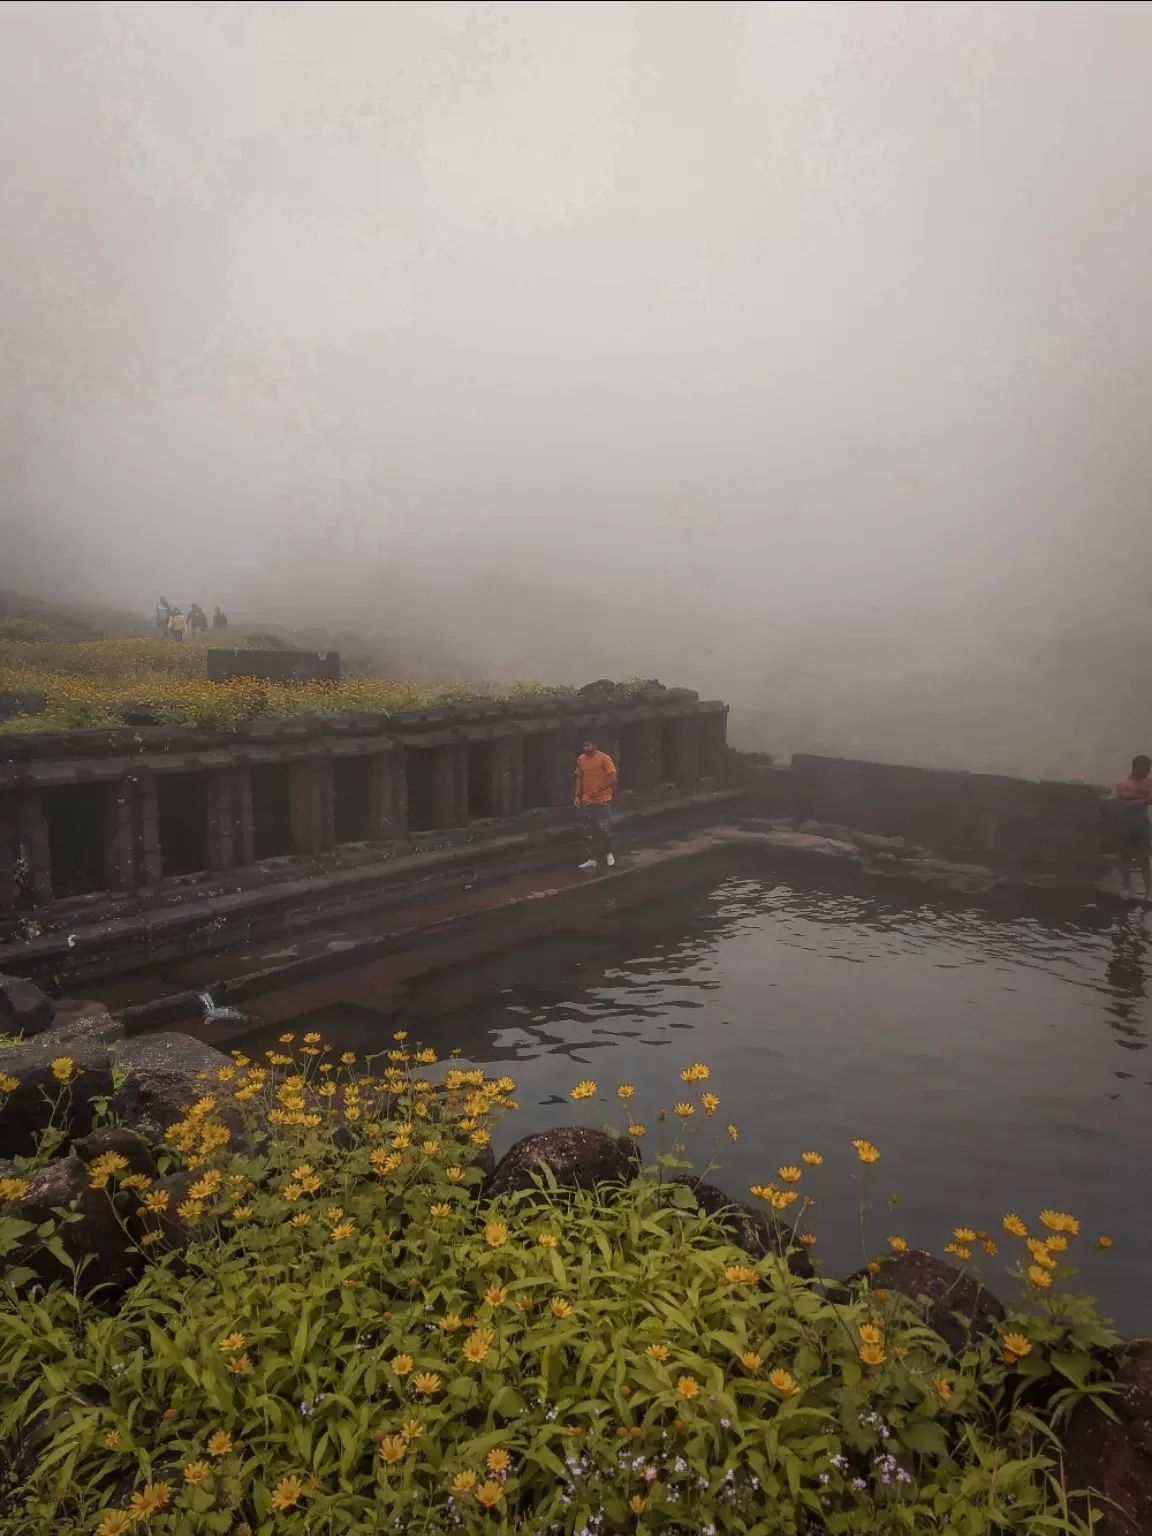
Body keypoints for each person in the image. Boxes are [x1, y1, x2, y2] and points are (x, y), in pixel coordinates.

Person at [574, 737, 617, 871]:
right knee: (588, 830)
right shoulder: (581, 759)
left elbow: (612, 777)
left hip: (602, 799)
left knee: (604, 828)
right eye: (584, 746)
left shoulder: (604, 758)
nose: (585, 749)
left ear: (595, 745)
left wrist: (598, 788)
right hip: (587, 799)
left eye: (588, 746)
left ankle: (608, 853)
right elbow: (579, 777)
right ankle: (592, 858)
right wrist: (577, 795)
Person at [1114, 754, 1152, 901]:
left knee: (1143, 857)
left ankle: (1149, 891)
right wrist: (1145, 798)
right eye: (1146, 767)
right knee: (1125, 857)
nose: (1149, 770)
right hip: (1126, 823)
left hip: (1142, 823)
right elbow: (1124, 801)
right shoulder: (1123, 784)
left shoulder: (1150, 781)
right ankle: (1126, 887)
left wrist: (1136, 799)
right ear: (1137, 767)